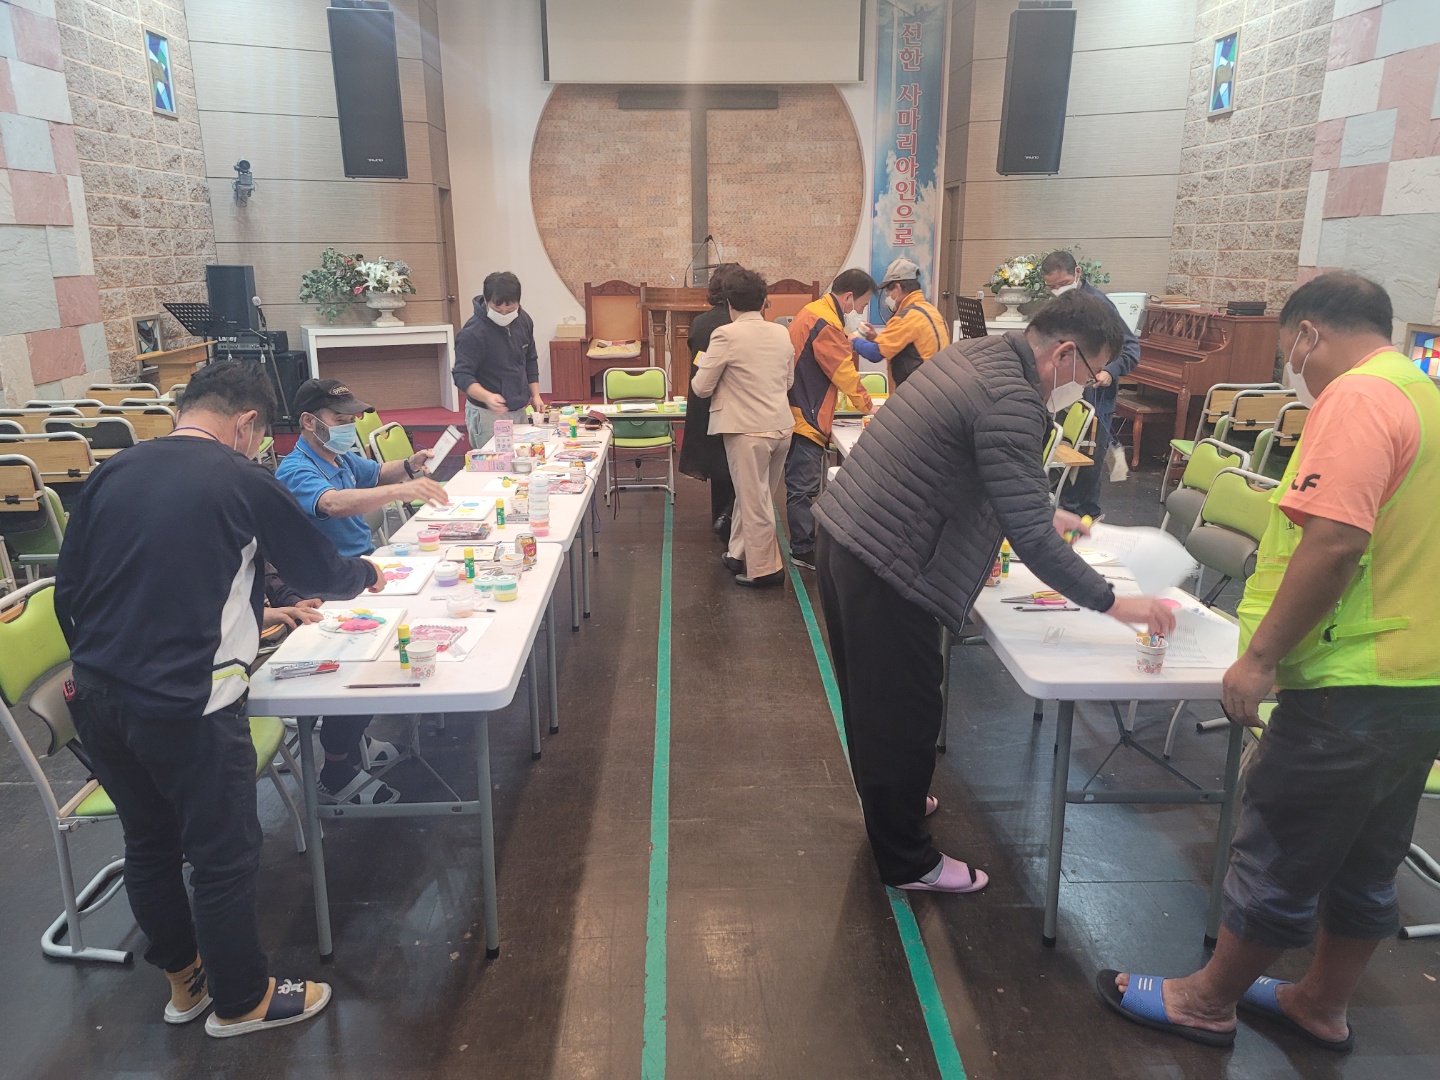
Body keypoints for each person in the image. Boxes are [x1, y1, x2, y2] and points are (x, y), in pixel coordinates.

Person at [1098, 273, 1440, 1052]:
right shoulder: (1424, 397)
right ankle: (1320, 1003)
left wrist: (1259, 658)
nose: (1294, 368)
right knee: (1369, 857)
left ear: (1308, 334)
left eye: (1291, 351)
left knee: (1281, 848)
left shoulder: (1358, 398)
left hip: (1347, 681)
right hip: (1418, 679)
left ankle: (1205, 1001)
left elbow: (1335, 541)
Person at [53, 360, 385, 1037]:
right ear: (247, 423)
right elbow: (316, 568)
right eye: (259, 437)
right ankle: (242, 1000)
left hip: (97, 692)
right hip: (188, 703)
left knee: (149, 843)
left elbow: (71, 589)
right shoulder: (241, 477)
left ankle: (187, 983)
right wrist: (367, 573)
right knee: (222, 853)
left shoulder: (115, 470)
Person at [814, 291, 1176, 893]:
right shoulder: (1014, 398)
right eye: (1091, 372)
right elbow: (1030, 538)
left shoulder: (981, 355)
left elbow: (983, 470)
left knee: (877, 703)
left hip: (852, 536)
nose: (1089, 387)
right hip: (887, 559)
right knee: (903, 712)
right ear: (1064, 353)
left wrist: (1045, 512)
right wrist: (1118, 603)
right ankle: (907, 861)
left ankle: (894, 805)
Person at [275, 378, 448, 805]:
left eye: (351, 419)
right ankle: (337, 771)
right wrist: (402, 490)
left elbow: (375, 473)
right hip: (326, 585)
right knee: (363, 672)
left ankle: (355, 741)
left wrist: (409, 466)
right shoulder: (296, 469)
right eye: (339, 420)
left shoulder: (339, 456)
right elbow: (332, 503)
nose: (348, 427)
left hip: (361, 570)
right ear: (309, 422)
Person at [690, 267, 796, 588]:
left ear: (729, 303)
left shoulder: (726, 334)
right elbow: (788, 381)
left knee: (754, 502)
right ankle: (737, 552)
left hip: (747, 432)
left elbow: (701, 387)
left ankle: (765, 570)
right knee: (753, 496)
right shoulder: (781, 332)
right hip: (781, 427)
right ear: (763, 302)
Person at [785, 268, 878, 571]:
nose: (859, 312)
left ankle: (803, 544)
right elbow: (843, 372)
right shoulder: (825, 321)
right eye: (862, 305)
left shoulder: (814, 312)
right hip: (806, 415)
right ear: (848, 297)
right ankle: (803, 549)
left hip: (798, 409)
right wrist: (868, 407)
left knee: (801, 485)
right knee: (804, 487)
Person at [1040, 250, 1140, 520]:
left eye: (1063, 284)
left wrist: (1110, 370)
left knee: (1087, 471)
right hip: (1066, 394)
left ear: (1077, 273)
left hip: (1095, 397)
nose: (1058, 291)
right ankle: (1066, 517)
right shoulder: (1061, 305)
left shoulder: (1099, 305)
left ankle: (1085, 521)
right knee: (1066, 470)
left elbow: (1131, 348)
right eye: (1052, 287)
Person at [680, 262, 741, 538]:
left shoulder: (701, 323)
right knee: (739, 469)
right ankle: (732, 521)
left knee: (718, 468)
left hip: (704, 401)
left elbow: (697, 357)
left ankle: (720, 518)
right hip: (737, 402)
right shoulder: (739, 322)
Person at [453, 271, 545, 451]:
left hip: (519, 408)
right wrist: (487, 396)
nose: (504, 314)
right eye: (497, 310)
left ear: (518, 303)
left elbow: (530, 359)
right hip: (488, 413)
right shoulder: (473, 332)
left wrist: (535, 395)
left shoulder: (524, 320)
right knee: (494, 463)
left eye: (509, 310)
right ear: (487, 302)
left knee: (523, 458)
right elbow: (461, 375)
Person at [851, 256, 951, 388]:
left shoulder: (907, 317)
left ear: (897, 288)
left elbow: (875, 354)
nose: (887, 296)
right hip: (937, 389)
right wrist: (876, 338)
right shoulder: (931, 312)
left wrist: (853, 340)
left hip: (918, 392)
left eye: (888, 291)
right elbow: (906, 346)